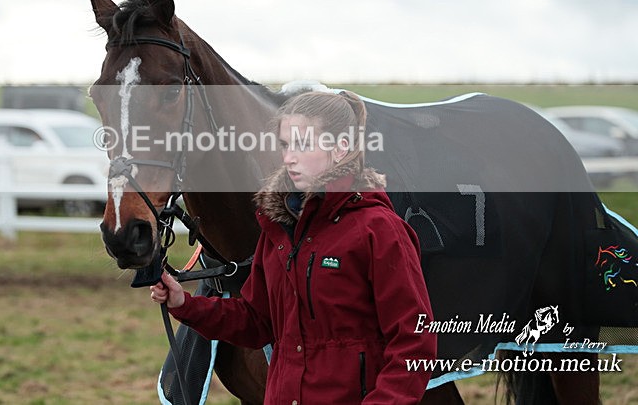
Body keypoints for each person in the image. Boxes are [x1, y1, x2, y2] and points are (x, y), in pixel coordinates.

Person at [150, 90, 437, 404]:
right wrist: (184, 304)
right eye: (285, 145)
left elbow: (414, 342)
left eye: (303, 144)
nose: (288, 157)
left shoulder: (380, 230)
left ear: (341, 149)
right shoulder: (280, 229)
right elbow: (256, 321)